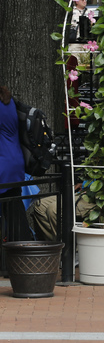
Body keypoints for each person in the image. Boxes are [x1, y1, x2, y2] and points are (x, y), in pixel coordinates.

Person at [0, 85, 32, 242]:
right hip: (14, 163)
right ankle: (25, 254)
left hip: (3, 164)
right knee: (15, 212)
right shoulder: (8, 101)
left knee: (13, 210)